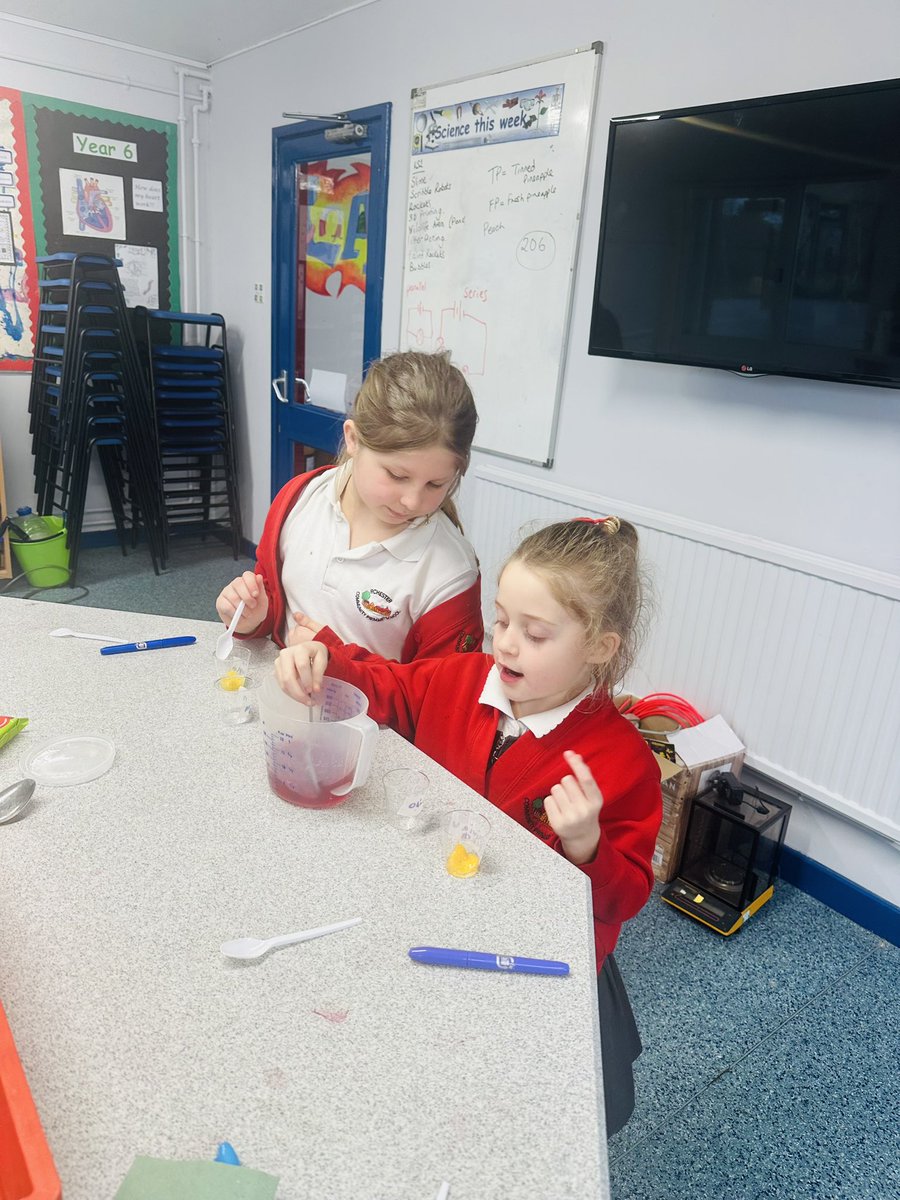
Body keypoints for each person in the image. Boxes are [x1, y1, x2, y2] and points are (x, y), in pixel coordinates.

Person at [276, 515, 662, 1137]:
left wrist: (588, 844)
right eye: (502, 619)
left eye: (534, 635)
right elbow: (389, 688)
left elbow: (627, 896)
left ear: (598, 648)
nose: (505, 643)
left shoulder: (622, 763)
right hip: (438, 911)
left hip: (531, 956)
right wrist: (326, 660)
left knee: (522, 1106)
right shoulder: (460, 678)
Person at [215, 351, 483, 662]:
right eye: (397, 475)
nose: (412, 501)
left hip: (367, 712)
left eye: (436, 485)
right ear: (353, 439)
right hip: (283, 702)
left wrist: (339, 663)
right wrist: (253, 617)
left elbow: (443, 693)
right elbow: (277, 603)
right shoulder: (300, 498)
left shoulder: (450, 572)